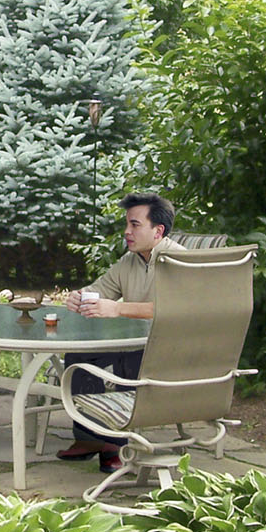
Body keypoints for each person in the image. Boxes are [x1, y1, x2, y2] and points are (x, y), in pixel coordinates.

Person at [58, 191, 183, 473]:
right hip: (134, 343)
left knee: (125, 361)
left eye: (135, 225)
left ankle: (115, 443)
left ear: (158, 230)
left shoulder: (178, 260)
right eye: (127, 224)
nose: (127, 231)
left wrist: (118, 309)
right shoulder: (130, 260)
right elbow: (98, 290)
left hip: (165, 350)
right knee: (80, 357)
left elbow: (174, 307)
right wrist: (79, 297)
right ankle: (89, 439)